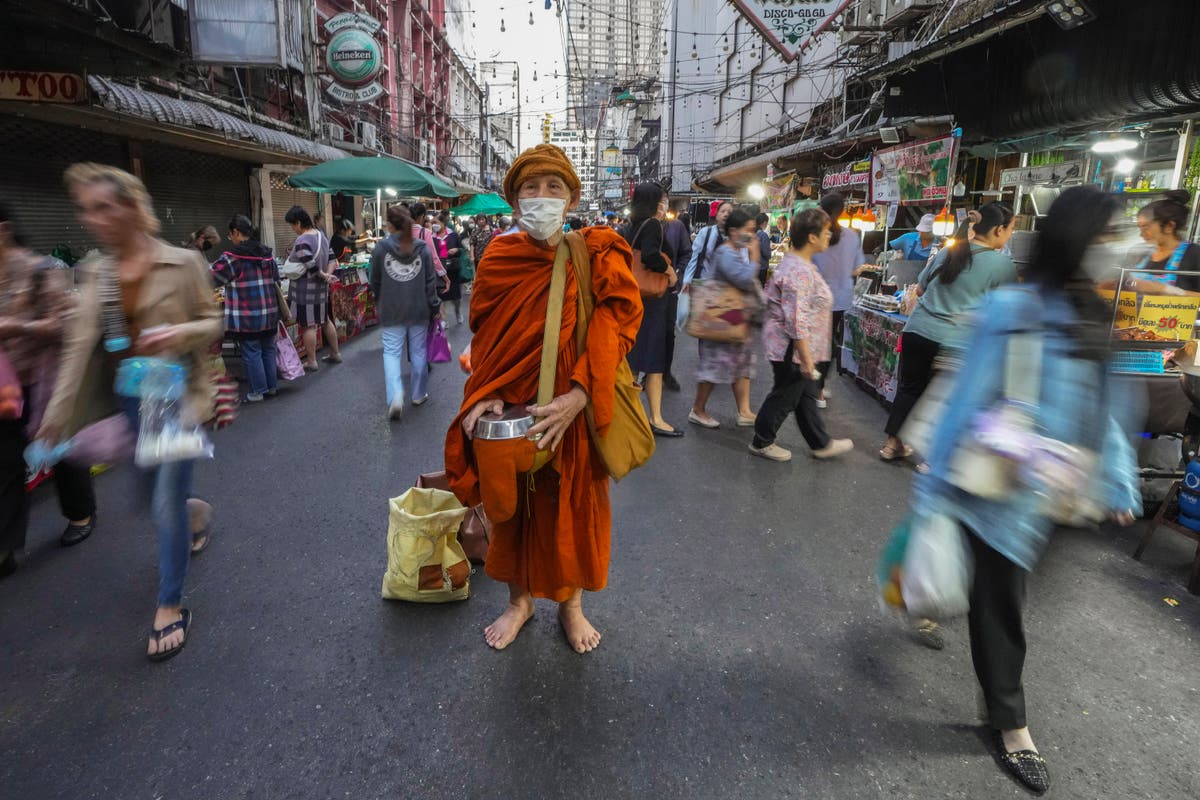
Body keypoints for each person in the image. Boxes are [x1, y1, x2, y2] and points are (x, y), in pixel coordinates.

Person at [917, 186, 1141, 794]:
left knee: (988, 591)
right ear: (1077, 241)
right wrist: (931, 483)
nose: (1121, 248)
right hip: (996, 484)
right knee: (1002, 603)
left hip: (1057, 493)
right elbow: (967, 395)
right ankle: (1011, 724)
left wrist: (1118, 479)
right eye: (1109, 236)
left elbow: (1106, 407)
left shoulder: (1094, 314)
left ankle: (937, 602)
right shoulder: (1011, 309)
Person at [445, 143, 641, 654]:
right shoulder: (499, 258)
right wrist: (484, 395)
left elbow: (617, 324)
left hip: (572, 412)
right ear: (514, 200)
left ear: (571, 199)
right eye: (530, 188)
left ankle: (571, 608)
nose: (542, 196)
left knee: (572, 511)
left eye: (553, 187)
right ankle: (518, 602)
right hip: (515, 412)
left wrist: (580, 395)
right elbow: (486, 337)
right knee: (511, 516)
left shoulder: (595, 251)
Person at [39, 163, 223, 661]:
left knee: (162, 504)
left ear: (132, 206)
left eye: (105, 206)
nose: (93, 219)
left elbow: (212, 319)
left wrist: (178, 334)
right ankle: (196, 511)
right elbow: (79, 348)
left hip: (176, 398)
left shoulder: (183, 262)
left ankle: (169, 606)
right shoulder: (95, 272)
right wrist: (57, 414)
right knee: (149, 499)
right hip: (126, 399)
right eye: (86, 210)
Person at [0, 204, 97, 578]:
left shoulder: (42, 270)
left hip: (42, 382)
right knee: (5, 463)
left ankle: (81, 513)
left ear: (4, 230)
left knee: (62, 451)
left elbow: (67, 325)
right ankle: (5, 546)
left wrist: (16, 326)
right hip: (4, 391)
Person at [880, 202, 1017, 462]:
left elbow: (919, 290)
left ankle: (891, 445)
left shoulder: (947, 252)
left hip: (917, 331)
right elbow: (1004, 311)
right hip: (953, 341)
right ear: (998, 230)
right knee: (943, 400)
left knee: (909, 390)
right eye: (1011, 229)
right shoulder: (1002, 266)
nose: (1010, 234)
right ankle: (931, 460)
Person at [750, 209, 854, 462]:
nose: (829, 235)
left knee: (805, 393)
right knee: (786, 393)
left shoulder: (801, 264)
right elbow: (797, 319)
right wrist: (806, 358)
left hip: (796, 345)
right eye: (825, 231)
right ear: (811, 237)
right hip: (791, 347)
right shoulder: (799, 270)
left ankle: (820, 443)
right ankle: (762, 440)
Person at [689, 209, 761, 429]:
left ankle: (744, 411)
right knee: (715, 369)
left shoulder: (735, 250)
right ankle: (698, 410)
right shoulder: (727, 252)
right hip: (723, 318)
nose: (752, 234)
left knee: (741, 366)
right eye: (748, 230)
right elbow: (744, 280)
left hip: (733, 317)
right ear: (733, 231)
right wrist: (756, 258)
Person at [369, 205, 439, 419]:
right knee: (418, 352)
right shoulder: (421, 248)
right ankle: (418, 394)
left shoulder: (381, 248)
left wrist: (379, 299)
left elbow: (375, 280)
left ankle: (396, 396)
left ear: (389, 225)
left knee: (391, 353)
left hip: (391, 309)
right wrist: (434, 306)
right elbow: (430, 282)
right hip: (419, 308)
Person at [623, 182, 680, 437]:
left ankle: (628, 416)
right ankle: (655, 418)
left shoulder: (630, 226)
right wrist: (669, 271)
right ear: (655, 201)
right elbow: (650, 256)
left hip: (633, 298)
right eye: (663, 199)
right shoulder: (654, 225)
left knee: (633, 361)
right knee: (654, 360)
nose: (665, 203)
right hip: (653, 301)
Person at [210, 214, 280, 403]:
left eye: (230, 235)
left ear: (236, 232)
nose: (230, 238)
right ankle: (271, 387)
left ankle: (257, 391)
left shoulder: (233, 258)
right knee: (268, 348)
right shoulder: (267, 254)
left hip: (248, 315)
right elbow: (276, 278)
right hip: (269, 312)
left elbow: (211, 278)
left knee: (251, 351)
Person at [812, 193, 869, 408]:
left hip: (818, 296)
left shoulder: (816, 234)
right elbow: (858, 268)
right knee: (831, 340)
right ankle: (821, 383)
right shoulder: (853, 236)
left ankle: (816, 388)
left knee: (819, 341)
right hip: (842, 297)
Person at [284, 206, 342, 370]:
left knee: (309, 325)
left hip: (305, 290)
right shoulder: (321, 236)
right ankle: (335, 353)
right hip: (322, 289)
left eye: (292, 225)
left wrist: (323, 275)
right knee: (325, 320)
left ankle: (311, 361)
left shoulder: (302, 241)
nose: (293, 229)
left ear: (298, 222)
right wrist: (328, 276)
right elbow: (332, 259)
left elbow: (310, 266)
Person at [1123, 190, 1200, 292]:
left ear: (1169, 226)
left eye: (1146, 228)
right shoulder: (1137, 252)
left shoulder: (1194, 254)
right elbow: (1122, 283)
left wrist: (1166, 290)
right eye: (1140, 228)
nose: (1141, 234)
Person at [661, 211, 693, 392]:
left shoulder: (676, 227)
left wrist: (678, 273)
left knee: (667, 333)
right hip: (644, 292)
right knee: (646, 335)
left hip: (669, 290)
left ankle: (665, 372)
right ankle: (649, 375)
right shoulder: (641, 224)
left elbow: (686, 253)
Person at [682, 201, 733, 285]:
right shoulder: (705, 232)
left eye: (729, 212)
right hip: (704, 283)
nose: (726, 214)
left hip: (726, 287)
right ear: (716, 215)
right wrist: (687, 280)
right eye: (723, 211)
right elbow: (694, 257)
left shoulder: (735, 236)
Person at [434, 212, 465, 323]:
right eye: (432, 223)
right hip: (439, 270)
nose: (434, 225)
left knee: (456, 297)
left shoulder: (453, 235)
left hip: (453, 270)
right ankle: (443, 319)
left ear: (443, 223)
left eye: (435, 222)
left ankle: (458, 312)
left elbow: (462, 249)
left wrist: (456, 250)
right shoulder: (432, 237)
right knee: (441, 296)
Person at [754, 212, 773, 283]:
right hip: (761, 268)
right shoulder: (763, 235)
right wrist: (770, 253)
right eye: (767, 223)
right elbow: (766, 253)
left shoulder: (753, 232)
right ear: (764, 222)